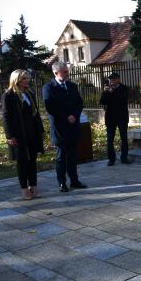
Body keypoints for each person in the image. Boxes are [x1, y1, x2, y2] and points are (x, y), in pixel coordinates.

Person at [42, 61, 86, 192]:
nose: (68, 73)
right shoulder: (48, 87)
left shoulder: (72, 86)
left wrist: (74, 115)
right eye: (65, 72)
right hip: (60, 127)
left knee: (73, 156)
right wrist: (66, 116)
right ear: (56, 73)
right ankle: (62, 182)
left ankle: (74, 180)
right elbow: (50, 107)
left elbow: (79, 102)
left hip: (73, 126)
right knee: (61, 157)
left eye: (67, 71)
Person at [2, 70, 45, 200]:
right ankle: (24, 188)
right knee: (22, 161)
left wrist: (41, 130)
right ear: (16, 80)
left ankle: (33, 185)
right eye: (24, 78)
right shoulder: (9, 95)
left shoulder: (29, 93)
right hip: (19, 133)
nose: (27, 80)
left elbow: (36, 113)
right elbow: (6, 116)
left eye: (27, 78)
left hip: (32, 132)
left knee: (32, 159)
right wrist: (9, 136)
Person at [99, 72, 130, 166]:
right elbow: (102, 102)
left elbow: (122, 100)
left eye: (114, 79)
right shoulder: (108, 90)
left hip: (122, 117)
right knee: (109, 140)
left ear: (118, 79)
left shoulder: (124, 88)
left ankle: (124, 157)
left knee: (124, 138)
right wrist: (104, 92)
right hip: (110, 118)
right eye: (111, 79)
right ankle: (111, 158)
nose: (112, 81)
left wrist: (113, 92)